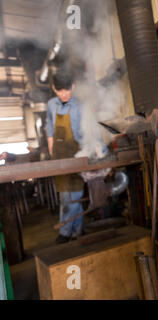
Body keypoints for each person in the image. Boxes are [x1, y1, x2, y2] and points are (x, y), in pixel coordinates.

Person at [46, 72, 85, 244]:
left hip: (77, 155)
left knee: (76, 195)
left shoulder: (80, 106)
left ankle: (65, 231)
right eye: (60, 91)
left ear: (73, 87)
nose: (64, 94)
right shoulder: (50, 105)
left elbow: (85, 133)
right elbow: (49, 129)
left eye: (67, 90)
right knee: (64, 197)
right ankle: (77, 231)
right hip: (59, 157)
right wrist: (52, 151)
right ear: (54, 89)